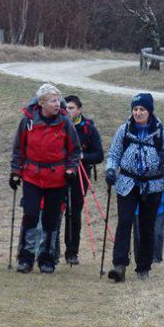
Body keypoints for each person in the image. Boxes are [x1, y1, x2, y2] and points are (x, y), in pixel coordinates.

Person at [104, 93, 164, 282]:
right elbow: (114, 154)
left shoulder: (161, 132)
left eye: (142, 109)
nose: (137, 113)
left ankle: (143, 268)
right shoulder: (124, 130)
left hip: (153, 185)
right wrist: (110, 170)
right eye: (135, 109)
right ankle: (119, 265)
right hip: (127, 182)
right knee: (125, 221)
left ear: (149, 111)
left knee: (147, 225)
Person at [10, 83, 81, 274]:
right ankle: (25, 258)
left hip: (57, 178)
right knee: (31, 215)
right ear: (41, 103)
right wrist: (15, 171)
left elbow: (75, 150)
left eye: (58, 100)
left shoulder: (65, 121)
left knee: (51, 219)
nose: (57, 104)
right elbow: (18, 147)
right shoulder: (28, 121)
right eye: (52, 101)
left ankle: (47, 259)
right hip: (32, 176)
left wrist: (71, 170)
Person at [63, 95, 104, 265]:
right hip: (59, 173)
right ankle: (49, 250)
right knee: (54, 211)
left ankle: (72, 252)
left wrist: (82, 156)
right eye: (66, 108)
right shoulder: (58, 124)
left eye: (71, 108)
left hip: (80, 175)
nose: (68, 111)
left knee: (74, 212)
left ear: (79, 109)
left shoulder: (88, 128)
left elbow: (99, 155)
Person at [133, 170, 164, 264]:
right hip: (138, 209)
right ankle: (140, 260)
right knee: (139, 235)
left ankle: (156, 259)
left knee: (157, 234)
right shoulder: (135, 169)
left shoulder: (163, 171)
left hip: (159, 209)